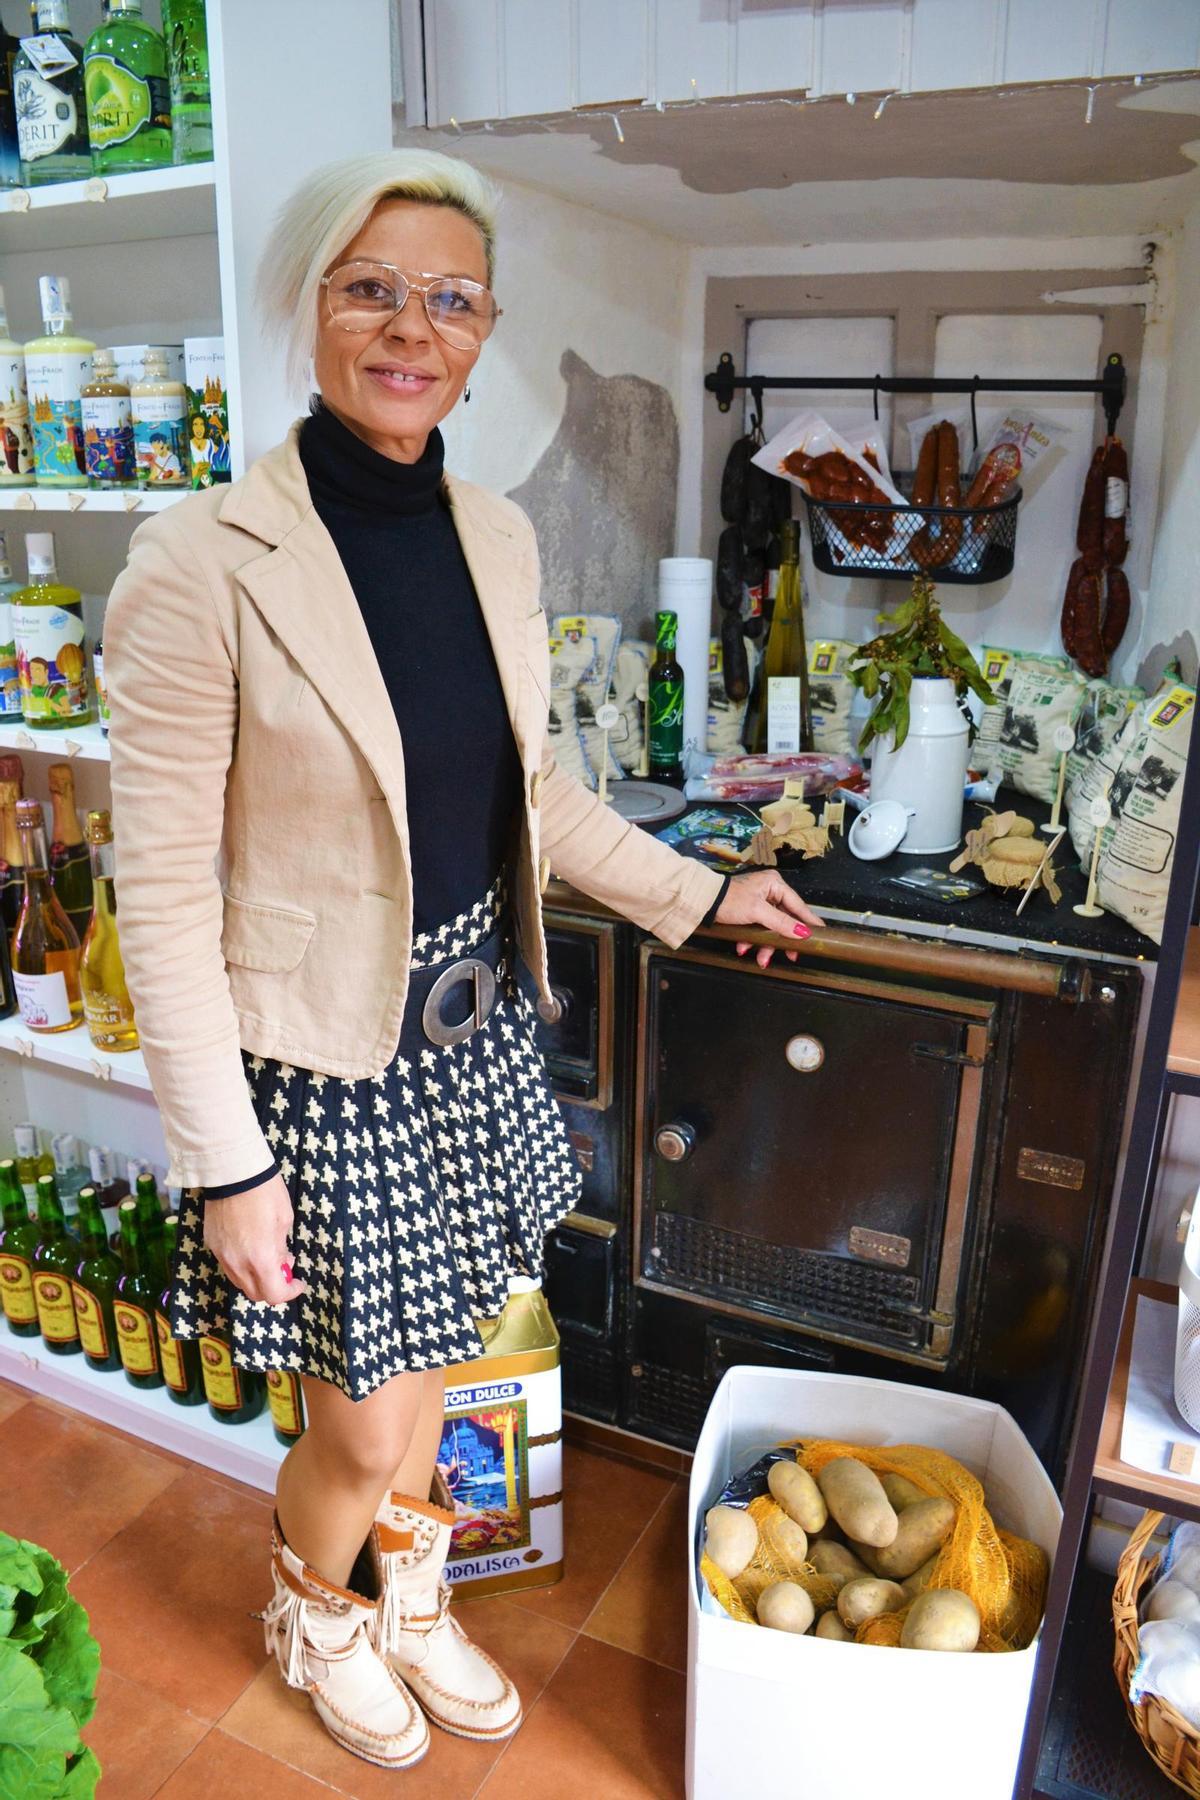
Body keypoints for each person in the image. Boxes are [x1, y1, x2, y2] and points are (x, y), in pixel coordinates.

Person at [102, 148, 823, 1774]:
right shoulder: (197, 564)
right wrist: (227, 1166)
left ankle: (409, 1605)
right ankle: (319, 1610)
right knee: (356, 1421)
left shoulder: (493, 536)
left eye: (446, 296)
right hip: (319, 1066)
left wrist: (699, 898)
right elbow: (157, 896)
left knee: (434, 1363)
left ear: (487, 328)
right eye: (370, 288)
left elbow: (540, 797)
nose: (408, 326)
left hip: (473, 1029)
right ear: (311, 310)